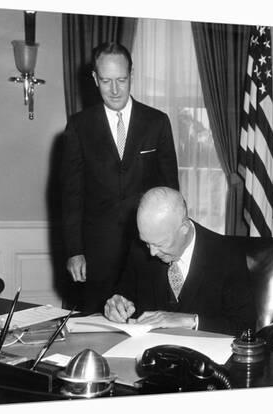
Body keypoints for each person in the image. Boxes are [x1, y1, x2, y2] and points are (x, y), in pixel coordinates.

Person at [60, 42, 179, 313]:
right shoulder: (79, 126)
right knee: (97, 331)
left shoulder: (157, 122)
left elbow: (170, 191)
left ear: (132, 76)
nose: (114, 90)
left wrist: (171, 247)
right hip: (96, 255)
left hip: (147, 252)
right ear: (94, 79)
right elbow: (71, 195)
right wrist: (74, 250)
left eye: (121, 80)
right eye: (106, 81)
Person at [104, 187, 256, 336]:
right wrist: (117, 304)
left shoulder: (226, 254)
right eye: (147, 243)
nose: (151, 252)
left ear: (184, 228)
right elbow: (125, 294)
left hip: (203, 356)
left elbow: (245, 327)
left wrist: (190, 321)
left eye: (160, 244)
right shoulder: (140, 249)